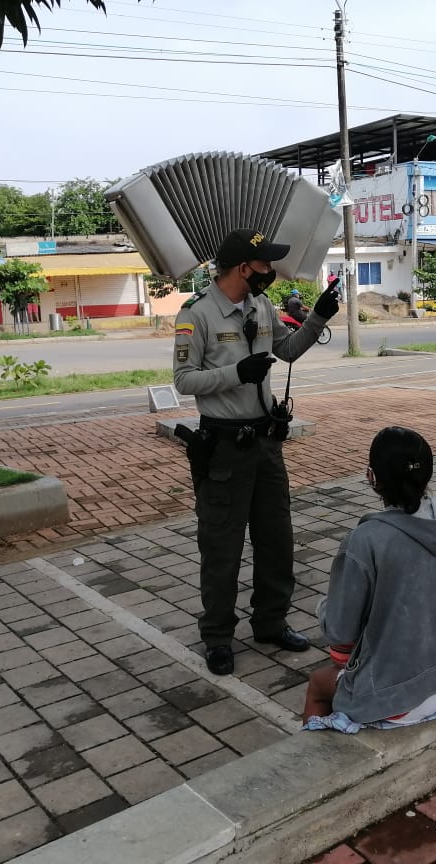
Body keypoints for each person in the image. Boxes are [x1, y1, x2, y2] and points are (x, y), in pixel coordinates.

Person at [173, 228, 341, 676]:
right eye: (265, 264)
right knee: (222, 549)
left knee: (276, 542)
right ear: (244, 268)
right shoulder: (197, 314)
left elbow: (285, 351)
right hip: (224, 447)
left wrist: (318, 318)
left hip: (266, 445)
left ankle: (270, 622)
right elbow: (184, 380)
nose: (271, 271)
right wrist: (236, 373)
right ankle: (218, 638)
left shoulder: (261, 305)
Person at [303, 427, 436, 732]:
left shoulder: (367, 539)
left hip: (398, 699)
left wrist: (324, 606)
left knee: (317, 685)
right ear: (428, 473)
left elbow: (340, 630)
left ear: (371, 477)